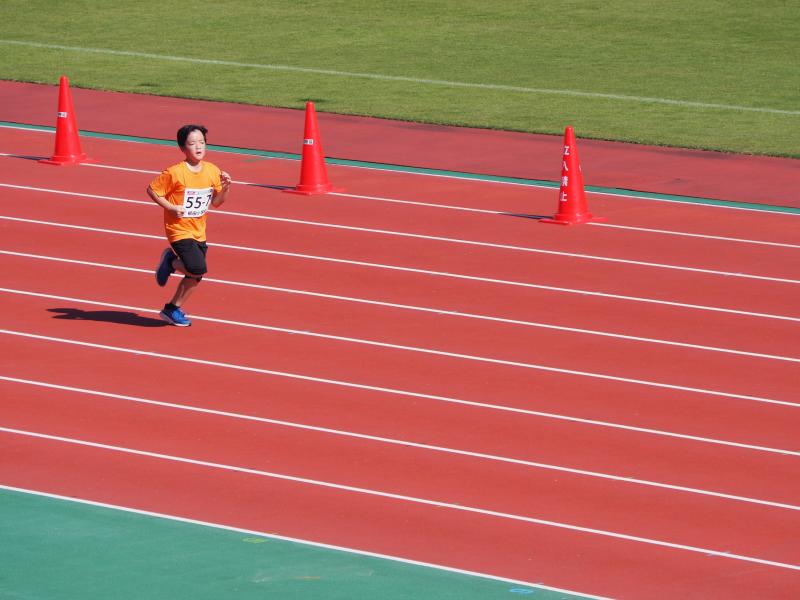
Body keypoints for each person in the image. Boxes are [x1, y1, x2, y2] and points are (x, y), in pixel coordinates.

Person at [147, 124, 232, 326]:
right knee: (197, 267)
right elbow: (152, 190)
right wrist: (171, 207)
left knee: (196, 275)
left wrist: (226, 188)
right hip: (178, 230)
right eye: (192, 143)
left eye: (202, 142)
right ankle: (170, 261)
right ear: (183, 148)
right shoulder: (175, 172)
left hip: (199, 231)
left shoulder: (212, 170)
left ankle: (172, 309)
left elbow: (217, 202)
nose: (198, 146)